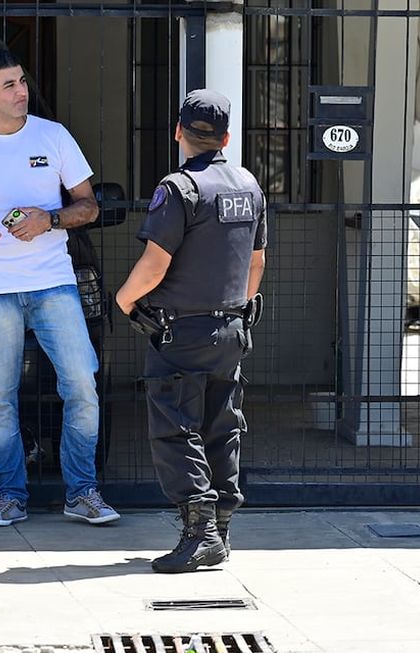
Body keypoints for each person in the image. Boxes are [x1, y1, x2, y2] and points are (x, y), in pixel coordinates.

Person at [0, 49, 119, 527]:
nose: (22, 92)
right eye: (11, 85)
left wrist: (49, 219)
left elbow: (89, 207)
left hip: (54, 283)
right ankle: (9, 495)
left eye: (22, 82)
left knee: (81, 384)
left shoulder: (52, 136)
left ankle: (82, 492)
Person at [116, 89, 266, 573]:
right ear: (225, 137)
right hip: (232, 326)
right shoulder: (249, 185)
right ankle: (219, 530)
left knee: (177, 430)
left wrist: (124, 298)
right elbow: (257, 262)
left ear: (178, 132)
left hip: (181, 330)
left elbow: (155, 263)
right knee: (222, 425)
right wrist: (234, 307)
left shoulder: (180, 188)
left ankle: (200, 533)